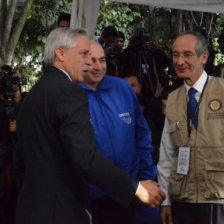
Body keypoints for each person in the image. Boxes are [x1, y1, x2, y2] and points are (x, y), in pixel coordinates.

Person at [15, 27, 165, 224]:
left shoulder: (37, 92)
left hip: (35, 208)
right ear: (60, 53)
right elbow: (84, 157)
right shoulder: (69, 92)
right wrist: (137, 188)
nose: (88, 61)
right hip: (61, 210)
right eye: (84, 54)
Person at [79, 40, 158, 224]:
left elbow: (141, 135)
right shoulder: (71, 95)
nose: (98, 67)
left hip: (129, 192)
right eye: (91, 61)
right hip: (90, 197)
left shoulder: (122, 88)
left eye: (102, 60)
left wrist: (146, 176)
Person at [157, 31, 224, 224]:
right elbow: (167, 155)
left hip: (217, 198)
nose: (179, 61)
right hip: (183, 200)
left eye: (187, 54)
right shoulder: (173, 99)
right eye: (176, 55)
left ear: (204, 57)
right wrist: (166, 201)